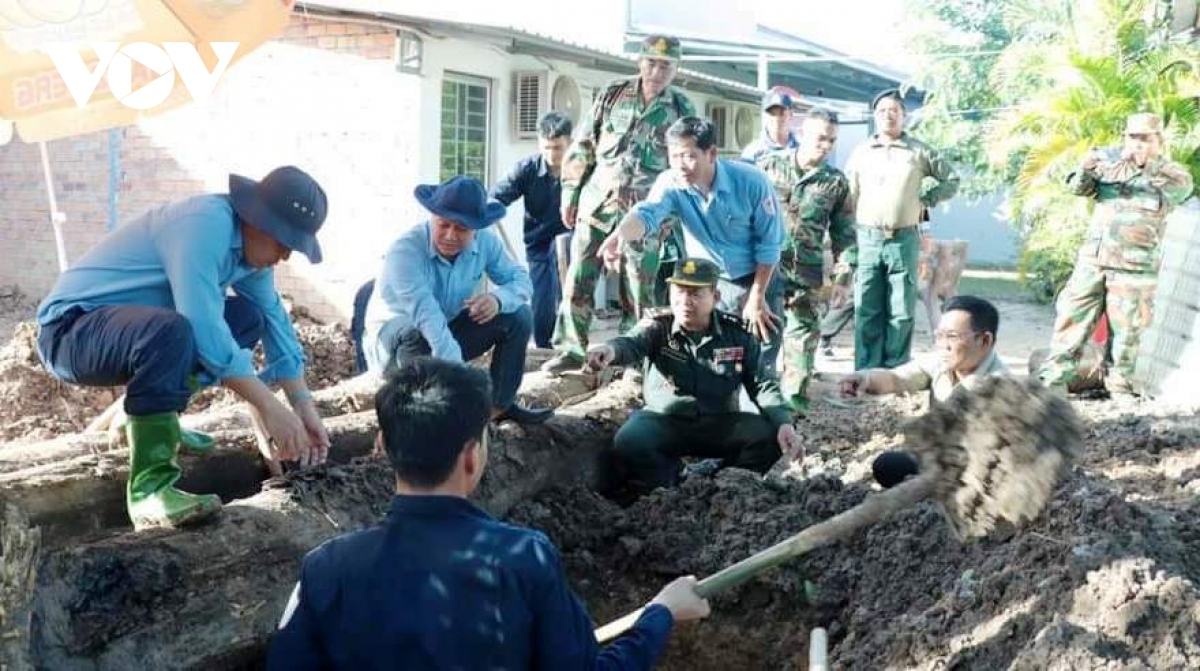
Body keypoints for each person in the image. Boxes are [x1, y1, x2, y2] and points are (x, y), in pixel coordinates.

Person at [267, 357, 711, 669]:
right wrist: (660, 615)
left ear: (381, 447)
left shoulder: (326, 568)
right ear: (471, 457)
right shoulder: (523, 558)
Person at [35, 166, 332, 530]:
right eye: (284, 243)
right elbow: (203, 325)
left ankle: (152, 423)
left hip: (135, 332)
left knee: (247, 318)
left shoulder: (250, 254)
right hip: (70, 333)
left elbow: (275, 323)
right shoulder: (204, 225)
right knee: (176, 330)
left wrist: (302, 406)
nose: (285, 257)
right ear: (258, 220)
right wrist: (267, 406)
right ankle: (149, 489)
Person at [543, 34, 697, 374]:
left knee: (639, 291)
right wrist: (570, 194)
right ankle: (570, 348)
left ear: (676, 69)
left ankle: (634, 358)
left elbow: (686, 164)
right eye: (652, 63)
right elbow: (583, 145)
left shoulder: (682, 108)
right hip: (599, 204)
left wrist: (674, 214)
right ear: (640, 62)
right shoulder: (613, 94)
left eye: (666, 66)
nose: (657, 72)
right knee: (579, 279)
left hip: (646, 214)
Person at [587, 258, 801, 494]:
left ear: (716, 297)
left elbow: (761, 384)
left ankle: (723, 484)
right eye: (679, 292)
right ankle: (669, 486)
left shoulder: (737, 334)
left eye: (696, 294)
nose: (685, 302)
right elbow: (630, 343)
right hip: (665, 421)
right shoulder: (658, 327)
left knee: (769, 436)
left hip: (719, 422)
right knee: (630, 440)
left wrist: (783, 422)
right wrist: (609, 351)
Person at [597, 116, 786, 375]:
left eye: (689, 156)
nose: (681, 166)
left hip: (759, 277)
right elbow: (647, 215)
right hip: (712, 283)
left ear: (712, 153)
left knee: (760, 358)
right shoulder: (671, 182)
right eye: (674, 157)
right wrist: (620, 235)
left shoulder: (751, 182)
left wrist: (757, 297)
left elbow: (770, 244)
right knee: (720, 361)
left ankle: (765, 412)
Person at [361, 176, 552, 424]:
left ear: (476, 228)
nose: (450, 235)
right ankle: (420, 413)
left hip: (443, 334)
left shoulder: (486, 243)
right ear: (432, 217)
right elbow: (427, 316)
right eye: (443, 225)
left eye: (462, 229)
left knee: (518, 316)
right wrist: (466, 385)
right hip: (396, 346)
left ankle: (497, 408)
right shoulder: (405, 251)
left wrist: (498, 300)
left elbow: (522, 282)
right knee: (415, 331)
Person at [1036, 112, 1194, 395]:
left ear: (1159, 141)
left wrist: (1147, 166)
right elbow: (1077, 186)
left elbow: (1182, 191)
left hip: (1135, 266)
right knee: (1072, 316)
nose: (1137, 144)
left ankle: (1119, 388)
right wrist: (1085, 168)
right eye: (1133, 138)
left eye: (1145, 139)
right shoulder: (1107, 161)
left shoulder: (1172, 173)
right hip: (1094, 260)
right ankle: (1054, 380)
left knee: (1128, 331)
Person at [838, 295, 1008, 487]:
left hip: (978, 475)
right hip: (938, 459)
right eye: (939, 335)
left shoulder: (1003, 389)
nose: (943, 345)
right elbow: (897, 379)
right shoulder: (942, 362)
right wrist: (864, 379)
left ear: (985, 340)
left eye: (952, 336)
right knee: (887, 466)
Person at [845, 89, 959, 370]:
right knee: (867, 306)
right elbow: (849, 199)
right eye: (883, 110)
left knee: (901, 308)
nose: (889, 115)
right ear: (874, 116)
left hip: (904, 238)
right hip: (868, 238)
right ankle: (867, 369)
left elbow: (951, 178)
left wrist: (927, 199)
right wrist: (847, 240)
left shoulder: (918, 151)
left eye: (895, 110)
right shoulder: (861, 152)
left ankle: (896, 368)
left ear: (904, 116)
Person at [756, 107, 855, 410]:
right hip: (764, 272)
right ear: (801, 134)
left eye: (832, 140)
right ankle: (757, 405)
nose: (825, 145)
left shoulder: (835, 182)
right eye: (820, 138)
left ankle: (792, 410)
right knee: (760, 341)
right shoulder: (766, 168)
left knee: (801, 342)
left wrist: (842, 278)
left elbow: (845, 236)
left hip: (805, 275)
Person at [491, 111, 574, 348]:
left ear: (569, 142)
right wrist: (484, 212)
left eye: (558, 148)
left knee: (572, 298)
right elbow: (497, 197)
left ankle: (571, 347)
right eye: (546, 147)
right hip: (538, 242)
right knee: (542, 299)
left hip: (573, 241)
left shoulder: (584, 170)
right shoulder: (526, 169)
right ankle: (543, 349)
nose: (551, 154)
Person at [740, 87, 799, 164]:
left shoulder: (802, 148)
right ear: (764, 116)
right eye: (772, 113)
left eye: (781, 113)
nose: (777, 118)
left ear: (791, 114)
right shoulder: (752, 152)